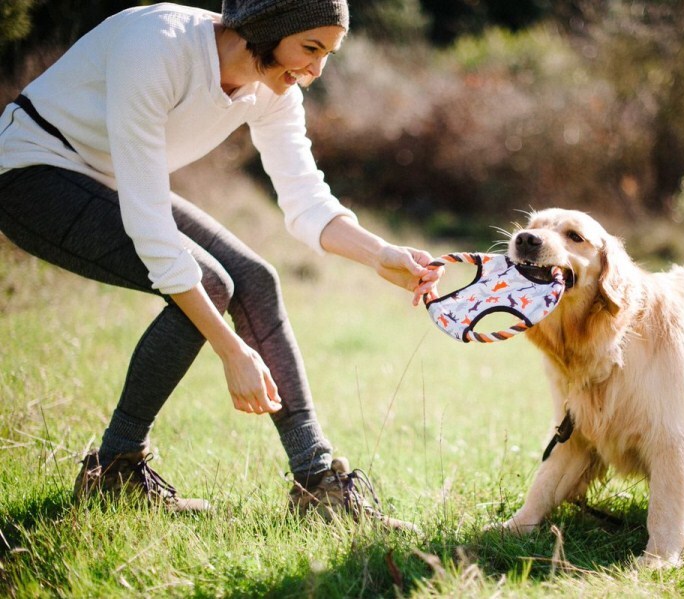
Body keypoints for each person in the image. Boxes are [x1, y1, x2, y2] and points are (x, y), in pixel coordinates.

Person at [0, 0, 440, 528]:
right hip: (28, 172)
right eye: (310, 48)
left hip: (105, 180)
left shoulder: (274, 90)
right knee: (207, 281)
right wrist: (231, 350)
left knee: (255, 279)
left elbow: (306, 201)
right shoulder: (156, 48)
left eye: (328, 54)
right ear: (268, 27)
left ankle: (318, 483)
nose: (317, 70)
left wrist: (380, 254)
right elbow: (152, 232)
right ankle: (116, 469)